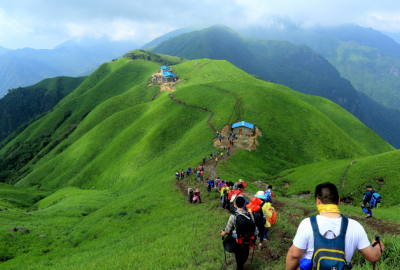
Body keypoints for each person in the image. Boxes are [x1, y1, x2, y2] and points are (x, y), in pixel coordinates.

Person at [286, 182, 385, 270]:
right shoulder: (355, 226)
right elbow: (373, 257)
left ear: (318, 201)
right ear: (338, 201)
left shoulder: (307, 224)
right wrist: (378, 247)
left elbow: (294, 256)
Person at [221, 196, 256, 270]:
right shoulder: (250, 215)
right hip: (248, 239)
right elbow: (254, 228)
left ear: (235, 204)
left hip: (238, 240)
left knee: (238, 254)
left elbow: (227, 230)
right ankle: (241, 264)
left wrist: (223, 233)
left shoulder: (233, 216)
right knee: (245, 253)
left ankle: (240, 267)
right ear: (244, 204)